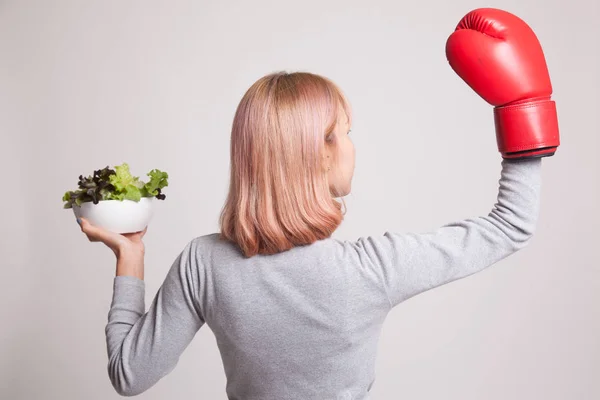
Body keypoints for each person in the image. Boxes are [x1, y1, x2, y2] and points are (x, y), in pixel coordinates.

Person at [76, 8, 559, 400]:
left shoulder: (204, 264)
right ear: (320, 151)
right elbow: (511, 227)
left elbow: (128, 376)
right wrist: (525, 112)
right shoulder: (370, 270)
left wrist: (130, 257)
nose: (353, 146)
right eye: (346, 133)